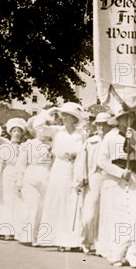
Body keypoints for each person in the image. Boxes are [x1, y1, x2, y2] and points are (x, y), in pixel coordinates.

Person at [96, 108, 136, 267]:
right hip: (116, 180)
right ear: (117, 121)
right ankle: (117, 254)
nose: (127, 121)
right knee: (118, 216)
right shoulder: (109, 137)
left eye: (129, 118)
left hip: (134, 177)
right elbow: (102, 161)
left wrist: (134, 141)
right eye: (123, 118)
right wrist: (119, 172)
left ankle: (134, 254)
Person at [35, 102, 86, 251]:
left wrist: (76, 158)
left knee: (73, 202)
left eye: (67, 116)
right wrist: (50, 111)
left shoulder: (81, 133)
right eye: (63, 115)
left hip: (75, 167)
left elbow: (84, 150)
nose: (63, 118)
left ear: (74, 118)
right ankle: (57, 239)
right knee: (58, 201)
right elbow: (38, 126)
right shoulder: (56, 131)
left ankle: (73, 241)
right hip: (60, 168)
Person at [75, 112, 114, 254]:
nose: (101, 127)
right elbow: (81, 161)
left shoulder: (113, 140)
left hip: (110, 178)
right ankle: (84, 240)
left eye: (105, 124)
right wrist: (81, 178)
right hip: (94, 177)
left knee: (106, 211)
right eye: (99, 124)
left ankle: (100, 243)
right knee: (90, 211)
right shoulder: (90, 142)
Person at [14, 114, 54, 245]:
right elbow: (20, 164)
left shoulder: (53, 145)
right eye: (40, 129)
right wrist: (19, 181)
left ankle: (44, 236)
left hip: (48, 177)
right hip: (31, 176)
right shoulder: (28, 144)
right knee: (33, 205)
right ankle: (30, 236)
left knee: (45, 207)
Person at [0, 118, 27, 240]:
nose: (16, 134)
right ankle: (7, 230)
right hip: (7, 174)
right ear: (10, 133)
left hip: (19, 175)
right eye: (14, 131)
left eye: (19, 131)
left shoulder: (24, 147)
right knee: (7, 201)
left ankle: (17, 230)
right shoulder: (4, 147)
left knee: (18, 201)